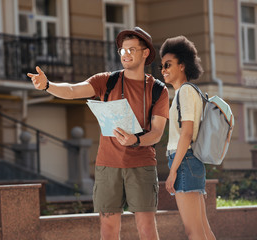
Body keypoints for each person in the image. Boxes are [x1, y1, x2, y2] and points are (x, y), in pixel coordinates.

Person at [27, 27, 169, 240]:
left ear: (145, 52)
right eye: (122, 50)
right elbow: (73, 90)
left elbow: (157, 133)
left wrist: (137, 139)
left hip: (141, 165)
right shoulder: (107, 81)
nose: (126, 54)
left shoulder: (158, 89)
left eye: (131, 49)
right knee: (108, 231)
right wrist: (47, 85)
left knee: (147, 230)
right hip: (107, 166)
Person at [160, 36, 216, 240]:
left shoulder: (184, 92)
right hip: (192, 161)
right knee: (204, 231)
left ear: (182, 65)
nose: (163, 69)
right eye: (162, 66)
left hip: (184, 160)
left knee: (194, 232)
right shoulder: (192, 92)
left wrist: (173, 170)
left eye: (168, 65)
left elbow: (186, 133)